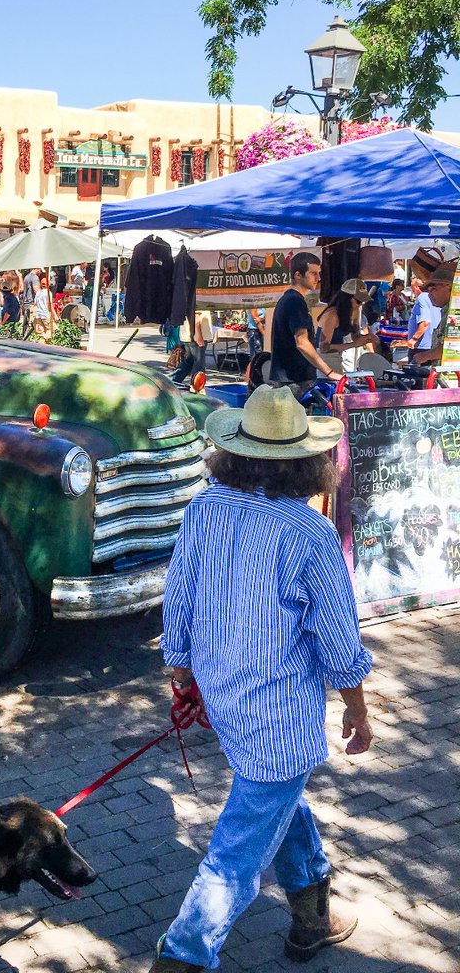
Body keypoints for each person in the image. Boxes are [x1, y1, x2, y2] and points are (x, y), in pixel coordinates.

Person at [148, 385, 373, 972]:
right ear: (307, 460)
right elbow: (339, 640)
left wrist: (181, 669)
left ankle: (312, 916)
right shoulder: (311, 534)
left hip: (226, 700)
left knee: (275, 795)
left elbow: (179, 600)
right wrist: (358, 708)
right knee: (233, 858)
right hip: (276, 716)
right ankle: (182, 955)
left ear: (236, 452)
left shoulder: (203, 509)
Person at [269, 252, 341, 385]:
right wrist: (329, 372)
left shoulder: (291, 299)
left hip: (291, 378)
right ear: (298, 275)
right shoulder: (295, 301)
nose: (318, 278)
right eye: (313, 273)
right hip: (293, 380)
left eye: (319, 273)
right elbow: (302, 342)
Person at [317, 278, 375, 374]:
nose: (360, 304)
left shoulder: (354, 311)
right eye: (358, 301)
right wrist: (353, 344)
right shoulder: (332, 315)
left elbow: (355, 336)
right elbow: (323, 348)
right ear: (346, 298)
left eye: (362, 301)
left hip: (338, 356)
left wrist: (367, 338)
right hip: (324, 361)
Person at [406, 262, 455, 364]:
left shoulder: (455, 313)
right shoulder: (446, 311)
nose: (430, 294)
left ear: (449, 287)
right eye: (428, 291)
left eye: (434, 289)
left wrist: (425, 356)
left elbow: (453, 346)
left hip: (451, 378)